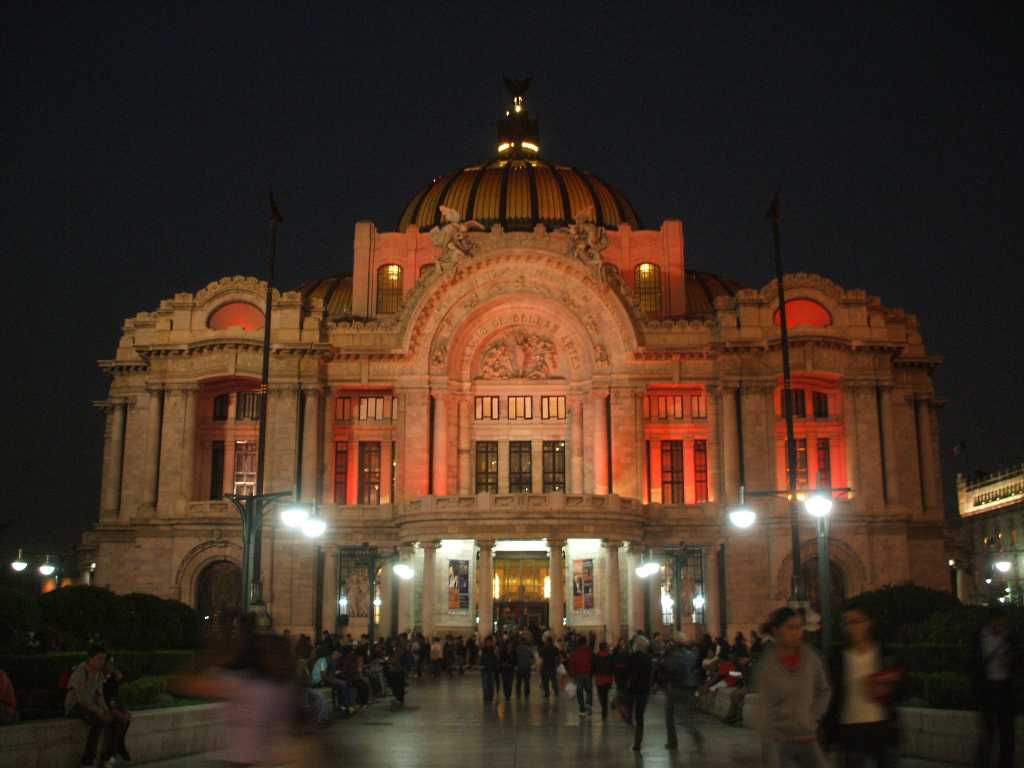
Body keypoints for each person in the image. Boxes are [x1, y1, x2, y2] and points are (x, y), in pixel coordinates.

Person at [823, 602, 903, 767]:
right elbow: (830, 694)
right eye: (846, 623)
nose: (851, 628)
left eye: (855, 621)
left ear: (869, 623)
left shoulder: (885, 655)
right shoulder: (837, 658)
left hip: (880, 727)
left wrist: (887, 685)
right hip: (849, 728)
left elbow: (901, 689)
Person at [753, 607, 831, 768]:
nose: (797, 633)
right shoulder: (768, 664)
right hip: (777, 740)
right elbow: (765, 705)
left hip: (807, 737)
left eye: (799, 627)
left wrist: (812, 717)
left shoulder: (810, 658)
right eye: (791, 627)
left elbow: (823, 690)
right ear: (776, 631)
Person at [972, 605, 1019, 768]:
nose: (1001, 624)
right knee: (988, 731)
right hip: (988, 688)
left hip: (1005, 686)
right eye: (999, 621)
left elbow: (1017, 661)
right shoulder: (980, 637)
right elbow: (974, 664)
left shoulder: (1008, 637)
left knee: (1007, 733)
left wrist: (1010, 661)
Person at [65, 644, 123, 768]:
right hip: (75, 707)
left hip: (90, 707)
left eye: (103, 659)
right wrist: (99, 712)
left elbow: (99, 695)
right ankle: (87, 761)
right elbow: (81, 699)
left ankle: (107, 758)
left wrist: (106, 711)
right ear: (90, 658)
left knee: (114, 721)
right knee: (99, 721)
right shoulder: (81, 671)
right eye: (99, 658)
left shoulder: (98, 674)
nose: (102, 662)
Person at [659, 630, 703, 752]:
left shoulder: (672, 654)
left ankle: (672, 742)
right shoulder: (691, 655)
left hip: (675, 687)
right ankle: (695, 733)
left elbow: (666, 668)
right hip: (689, 687)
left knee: (669, 715)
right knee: (685, 715)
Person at [626, 635, 654, 750]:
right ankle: (638, 741)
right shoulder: (648, 658)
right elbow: (651, 674)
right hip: (644, 690)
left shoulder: (631, 657)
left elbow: (626, 673)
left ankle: (632, 729)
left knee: (630, 712)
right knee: (639, 716)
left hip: (632, 688)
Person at [102, 656, 132, 761]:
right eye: (109, 664)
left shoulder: (111, 679)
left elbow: (114, 698)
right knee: (118, 723)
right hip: (101, 708)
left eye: (112, 664)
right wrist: (119, 713)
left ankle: (115, 751)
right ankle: (111, 755)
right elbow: (107, 699)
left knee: (125, 721)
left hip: (109, 707)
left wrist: (124, 711)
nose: (112, 667)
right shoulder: (100, 678)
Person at [568, 636, 594, 716]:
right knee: (589, 690)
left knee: (579, 691)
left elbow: (571, 663)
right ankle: (588, 704)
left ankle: (582, 708)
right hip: (587, 673)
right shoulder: (589, 651)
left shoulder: (574, 652)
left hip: (577, 674)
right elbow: (593, 662)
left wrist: (572, 674)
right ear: (585, 642)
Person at [479, 636, 498, 703]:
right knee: (485, 685)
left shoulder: (494, 650)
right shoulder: (483, 650)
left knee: (491, 684)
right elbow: (480, 660)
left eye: (490, 642)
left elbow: (496, 660)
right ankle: (486, 697)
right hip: (485, 670)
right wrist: (481, 665)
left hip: (491, 669)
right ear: (486, 643)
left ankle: (490, 697)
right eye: (487, 642)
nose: (489, 643)